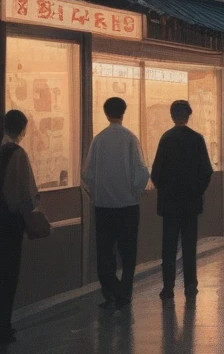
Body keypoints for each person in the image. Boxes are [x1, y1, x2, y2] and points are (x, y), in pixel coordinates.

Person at [84, 97, 150, 310]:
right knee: (128, 253)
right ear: (124, 112)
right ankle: (125, 294)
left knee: (105, 254)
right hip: (128, 207)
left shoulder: (99, 140)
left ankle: (111, 292)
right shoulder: (130, 138)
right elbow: (142, 172)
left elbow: (87, 174)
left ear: (105, 113)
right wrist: (135, 193)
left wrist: (97, 194)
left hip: (103, 207)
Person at [150, 100, 213, 301]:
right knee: (189, 245)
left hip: (169, 204)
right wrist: (197, 191)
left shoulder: (166, 139)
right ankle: (190, 285)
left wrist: (166, 191)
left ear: (172, 116)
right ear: (188, 115)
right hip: (191, 204)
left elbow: (156, 172)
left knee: (168, 246)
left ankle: (168, 286)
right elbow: (206, 170)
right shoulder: (197, 139)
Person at [1, 110, 40, 344]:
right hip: (9, 222)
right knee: (8, 274)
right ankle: (4, 326)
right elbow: (27, 193)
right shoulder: (17, 153)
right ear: (23, 130)